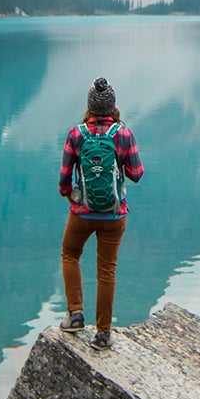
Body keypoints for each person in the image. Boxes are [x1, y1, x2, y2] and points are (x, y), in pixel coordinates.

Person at [58, 76, 144, 349]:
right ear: (113, 106)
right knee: (106, 270)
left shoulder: (75, 134)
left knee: (70, 255)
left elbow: (64, 179)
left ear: (90, 106)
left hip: (81, 213)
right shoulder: (123, 134)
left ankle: (75, 315)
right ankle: (103, 334)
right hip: (114, 214)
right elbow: (136, 174)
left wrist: (71, 193)